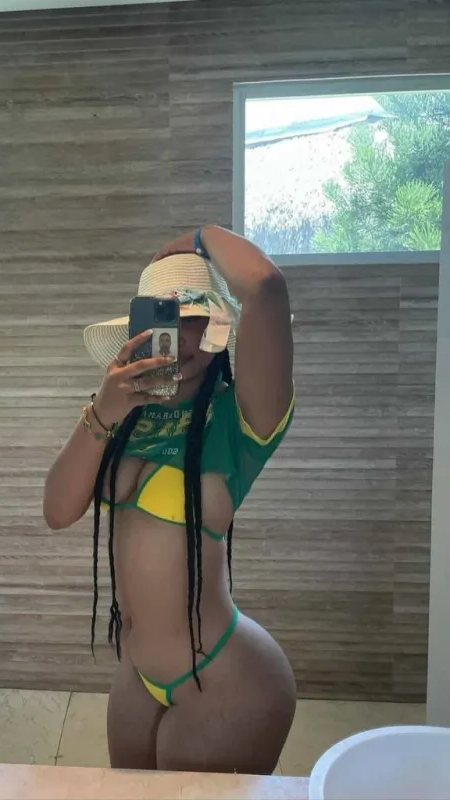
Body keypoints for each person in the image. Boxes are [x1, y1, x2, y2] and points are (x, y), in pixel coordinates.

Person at [43, 225, 296, 775]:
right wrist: (102, 411)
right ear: (141, 329)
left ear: (217, 329)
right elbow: (57, 512)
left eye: (194, 318)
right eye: (164, 318)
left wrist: (200, 238)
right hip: (138, 676)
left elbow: (266, 287)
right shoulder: (123, 413)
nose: (179, 338)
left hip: (226, 680)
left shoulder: (237, 418)